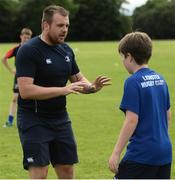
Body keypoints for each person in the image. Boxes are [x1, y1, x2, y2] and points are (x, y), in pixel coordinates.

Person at [16, 5, 111, 179]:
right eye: (60, 26)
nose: (65, 30)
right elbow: (26, 90)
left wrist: (92, 87)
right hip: (34, 119)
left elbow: (78, 79)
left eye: (67, 25)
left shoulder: (66, 50)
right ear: (46, 25)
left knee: (67, 169)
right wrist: (62, 90)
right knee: (40, 173)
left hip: (60, 119)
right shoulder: (28, 50)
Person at [108, 32, 172, 179]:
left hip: (142, 154)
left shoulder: (133, 81)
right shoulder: (161, 79)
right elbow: (168, 115)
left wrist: (116, 153)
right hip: (164, 151)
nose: (123, 61)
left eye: (123, 57)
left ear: (129, 56)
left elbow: (131, 120)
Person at [2, 28, 32, 127]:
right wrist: (11, 70)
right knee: (15, 98)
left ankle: (32, 120)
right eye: (25, 38)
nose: (26, 40)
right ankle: (10, 121)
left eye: (28, 38)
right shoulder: (16, 49)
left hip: (32, 77)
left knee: (31, 98)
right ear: (21, 37)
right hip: (19, 77)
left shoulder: (33, 49)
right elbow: (3, 58)